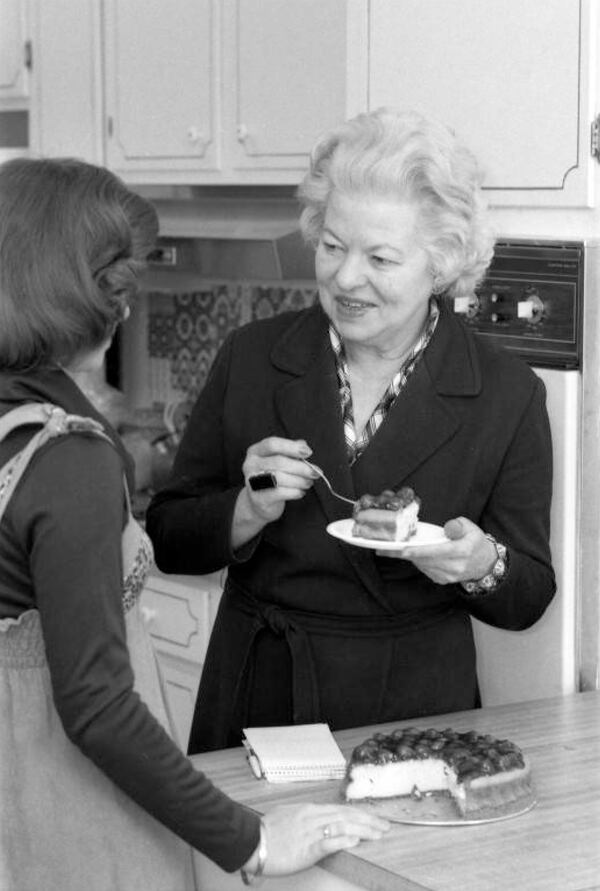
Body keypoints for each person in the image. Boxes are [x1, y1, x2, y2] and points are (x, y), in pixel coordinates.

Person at [0, 157, 389, 891]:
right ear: (96, 297)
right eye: (122, 280)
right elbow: (97, 707)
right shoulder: (67, 458)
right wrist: (253, 840)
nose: (126, 302)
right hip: (66, 814)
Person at [146, 107, 556, 756]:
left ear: (442, 262)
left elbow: (528, 594)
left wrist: (480, 563)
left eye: (380, 257)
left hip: (416, 708)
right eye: (332, 246)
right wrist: (247, 508)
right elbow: (168, 538)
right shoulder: (252, 357)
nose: (345, 276)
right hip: (261, 692)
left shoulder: (506, 393)